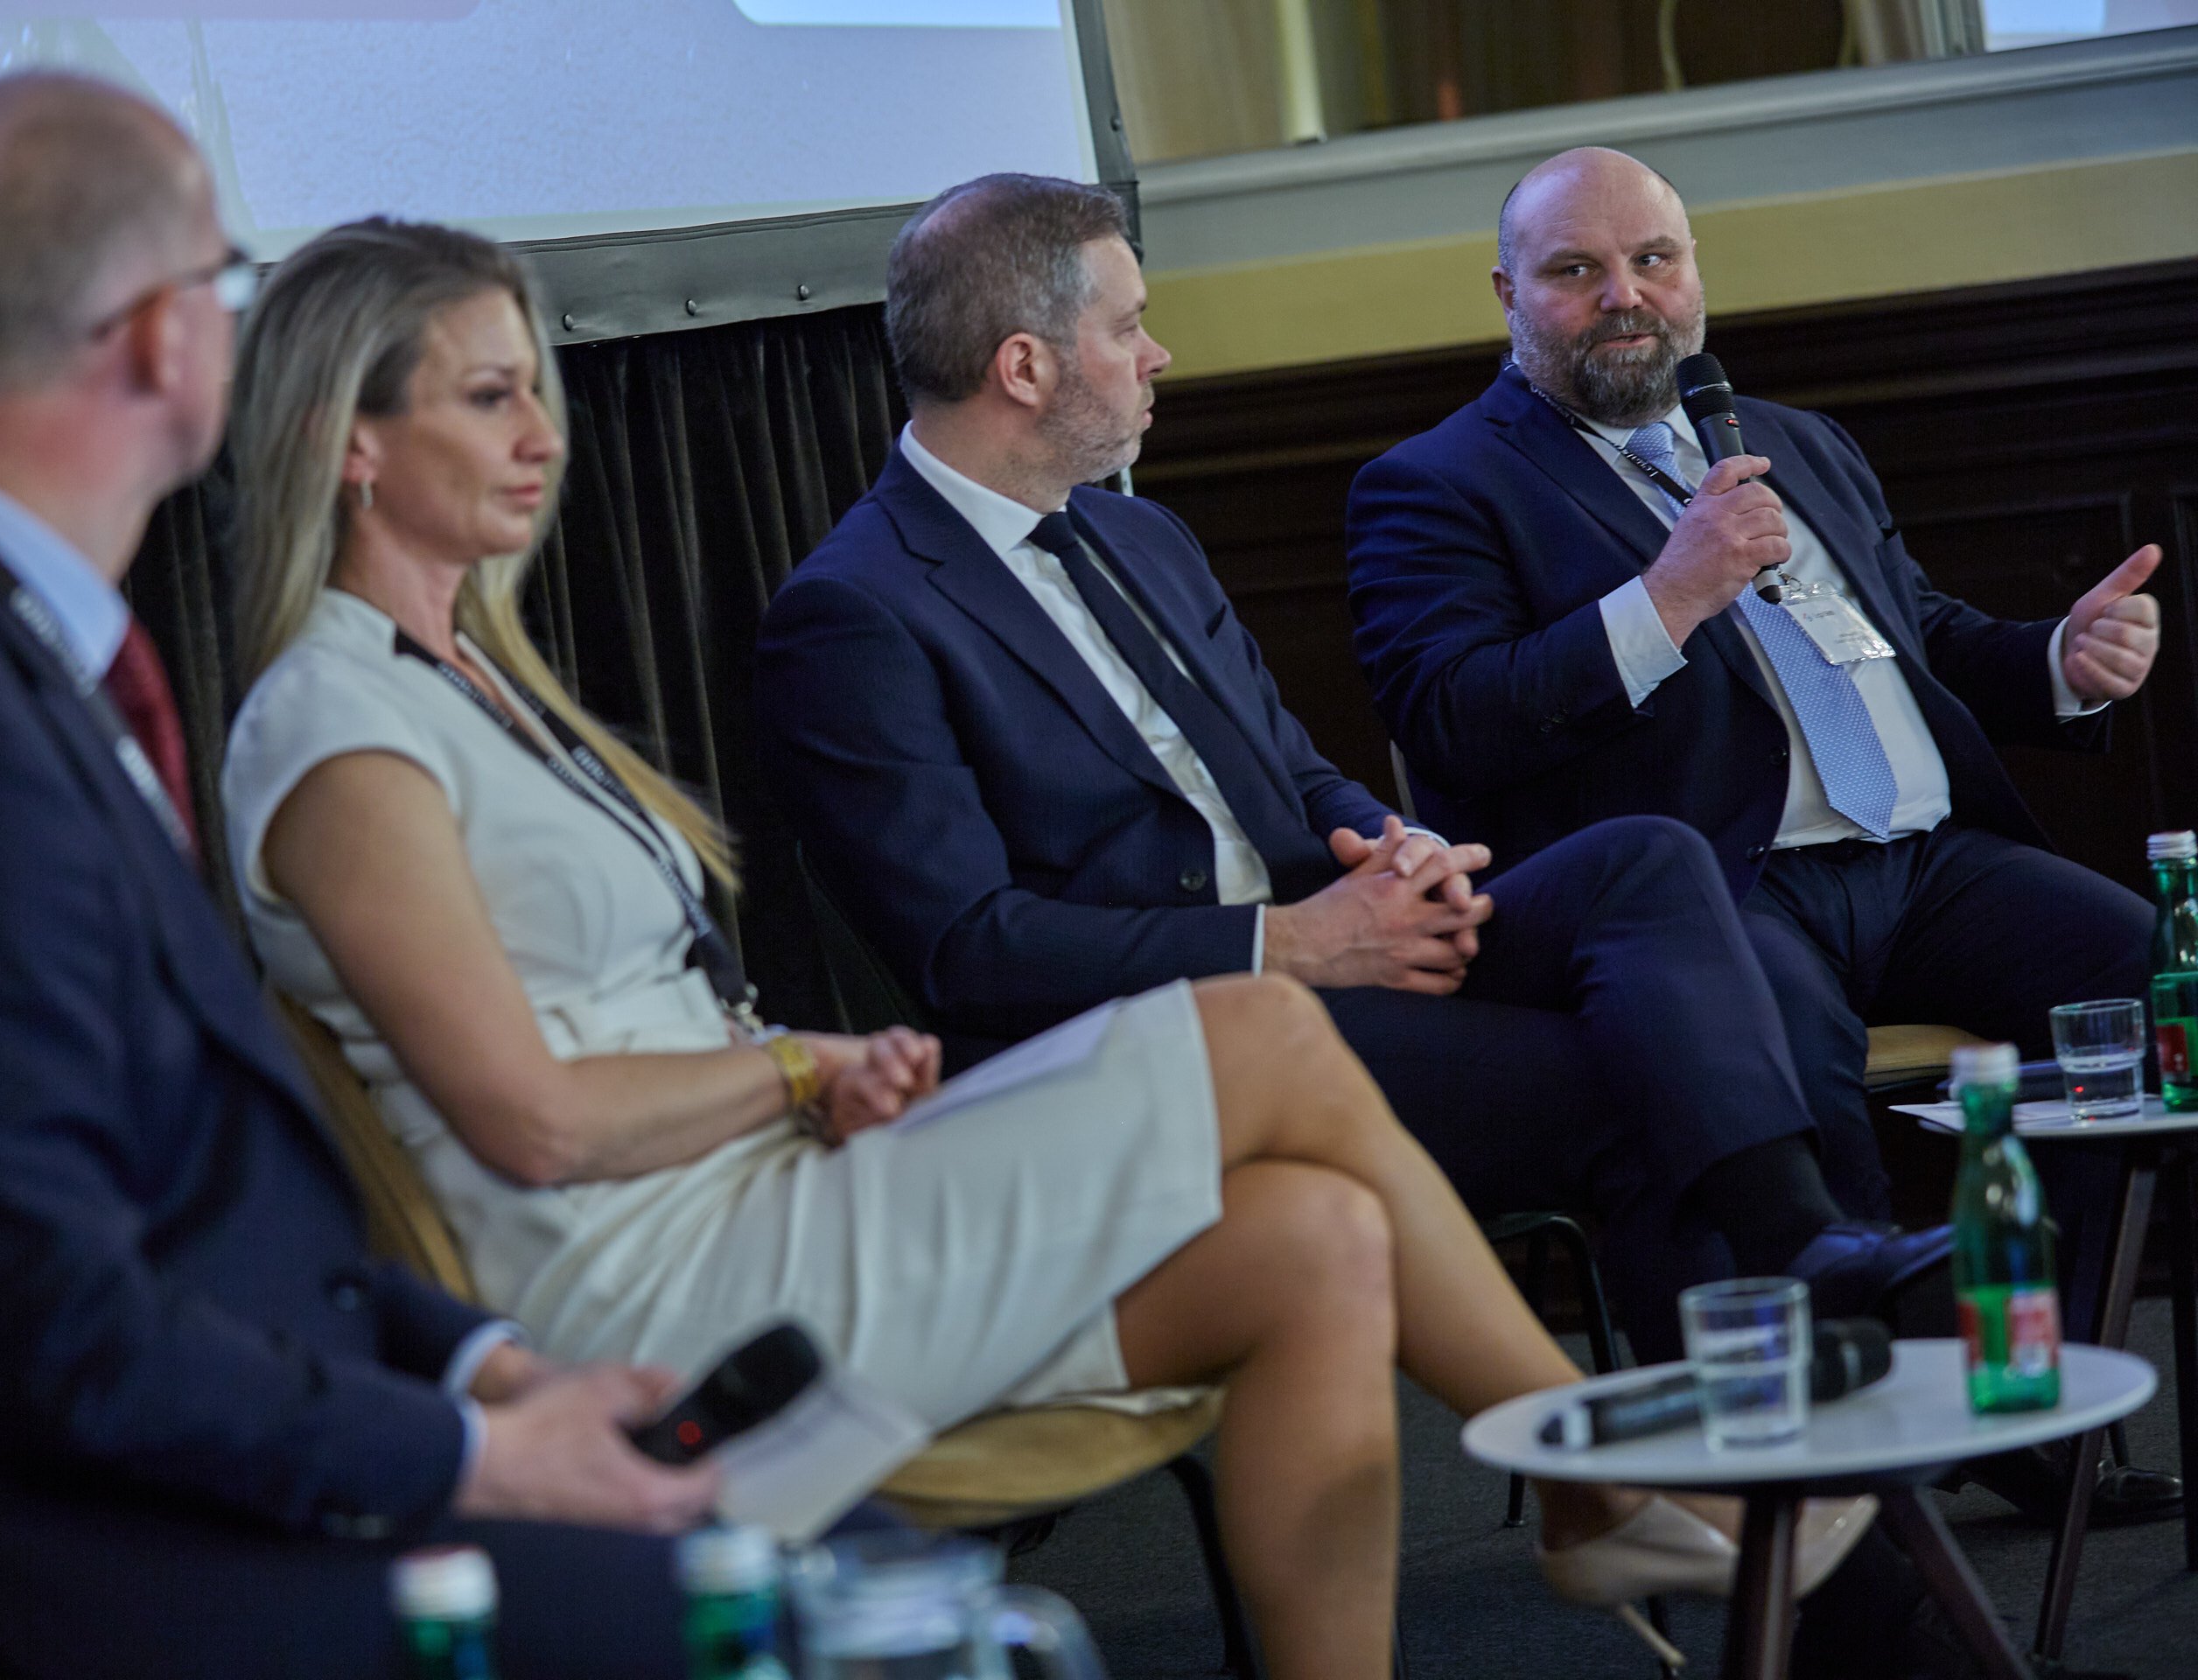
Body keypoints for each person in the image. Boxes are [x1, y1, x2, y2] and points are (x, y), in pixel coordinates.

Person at [214, 214, 1875, 1680]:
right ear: (346, 441)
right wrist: (796, 1070)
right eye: (487, 396)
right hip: (660, 1282)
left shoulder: (477, 686)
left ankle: (1690, 1398)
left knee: (1317, 1237)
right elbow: (532, 1119)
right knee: (1312, 1031)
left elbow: (1285, 774)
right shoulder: (342, 732)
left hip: (772, 1177)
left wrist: (1386, 856)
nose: (541, 433)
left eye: (535, 387)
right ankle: (1614, 1476)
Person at [0, 74, 724, 1680]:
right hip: (59, 1566)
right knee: (807, 1599)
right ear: (166, 338)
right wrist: (477, 1460)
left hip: (187, 1462)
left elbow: (197, 1210)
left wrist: (482, 1371)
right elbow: (68, 1336)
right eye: (229, 284)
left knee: (793, 1535)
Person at [748, 172, 1942, 1362]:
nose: (1158, 356)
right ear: (1024, 367)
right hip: (1155, 1042)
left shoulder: (1137, 531)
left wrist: (1396, 851)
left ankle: (1806, 1248)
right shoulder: (856, 615)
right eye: (1128, 328)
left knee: (1645, 862)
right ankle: (1753, 1434)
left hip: (1332, 950)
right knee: (1634, 1081)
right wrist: (1294, 946)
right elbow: (970, 952)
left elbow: (1292, 771)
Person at [1341, 144, 2173, 1522]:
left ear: (1693, 276)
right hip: (1714, 889)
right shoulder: (1434, 482)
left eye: (1653, 261)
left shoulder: (1792, 439)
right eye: (1576, 270)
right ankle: (1868, 1486)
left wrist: (2057, 663)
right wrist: (1668, 596)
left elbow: (1916, 634)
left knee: (2154, 993)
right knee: (1780, 1079)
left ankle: (2030, 1399)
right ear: (1507, 294)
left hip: (1924, 865)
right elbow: (1455, 717)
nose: (1626, 296)